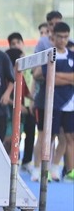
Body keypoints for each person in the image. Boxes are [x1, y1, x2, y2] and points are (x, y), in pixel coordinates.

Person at [34, 21, 73, 183]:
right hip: (50, 102)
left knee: (67, 138)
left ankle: (58, 169)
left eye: (66, 37)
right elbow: (49, 78)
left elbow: (57, 77)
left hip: (69, 103)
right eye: (60, 37)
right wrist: (68, 78)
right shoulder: (49, 55)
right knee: (48, 137)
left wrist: (59, 76)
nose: (63, 40)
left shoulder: (72, 56)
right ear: (53, 37)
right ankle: (39, 170)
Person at [4, 47, 36, 172]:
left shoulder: (21, 76)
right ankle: (5, 163)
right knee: (7, 140)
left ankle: (13, 164)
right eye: (22, 59)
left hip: (19, 114)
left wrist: (36, 101)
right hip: (8, 113)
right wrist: (18, 106)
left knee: (17, 139)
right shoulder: (7, 77)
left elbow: (26, 93)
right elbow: (5, 97)